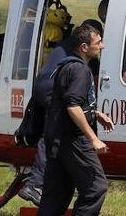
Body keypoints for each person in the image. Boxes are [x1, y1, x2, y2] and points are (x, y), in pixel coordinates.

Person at [34, 23, 114, 216]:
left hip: (57, 138)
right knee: (96, 187)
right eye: (98, 43)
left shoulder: (65, 66)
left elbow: (68, 101)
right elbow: (72, 106)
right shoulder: (80, 70)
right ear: (84, 47)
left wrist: (95, 113)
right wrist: (93, 138)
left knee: (57, 191)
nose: (102, 46)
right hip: (74, 140)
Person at [19, 18, 104, 204]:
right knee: (54, 132)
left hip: (43, 84)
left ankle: (50, 181)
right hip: (53, 86)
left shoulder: (69, 43)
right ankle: (35, 184)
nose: (101, 45)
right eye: (99, 41)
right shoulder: (83, 54)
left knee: (52, 131)